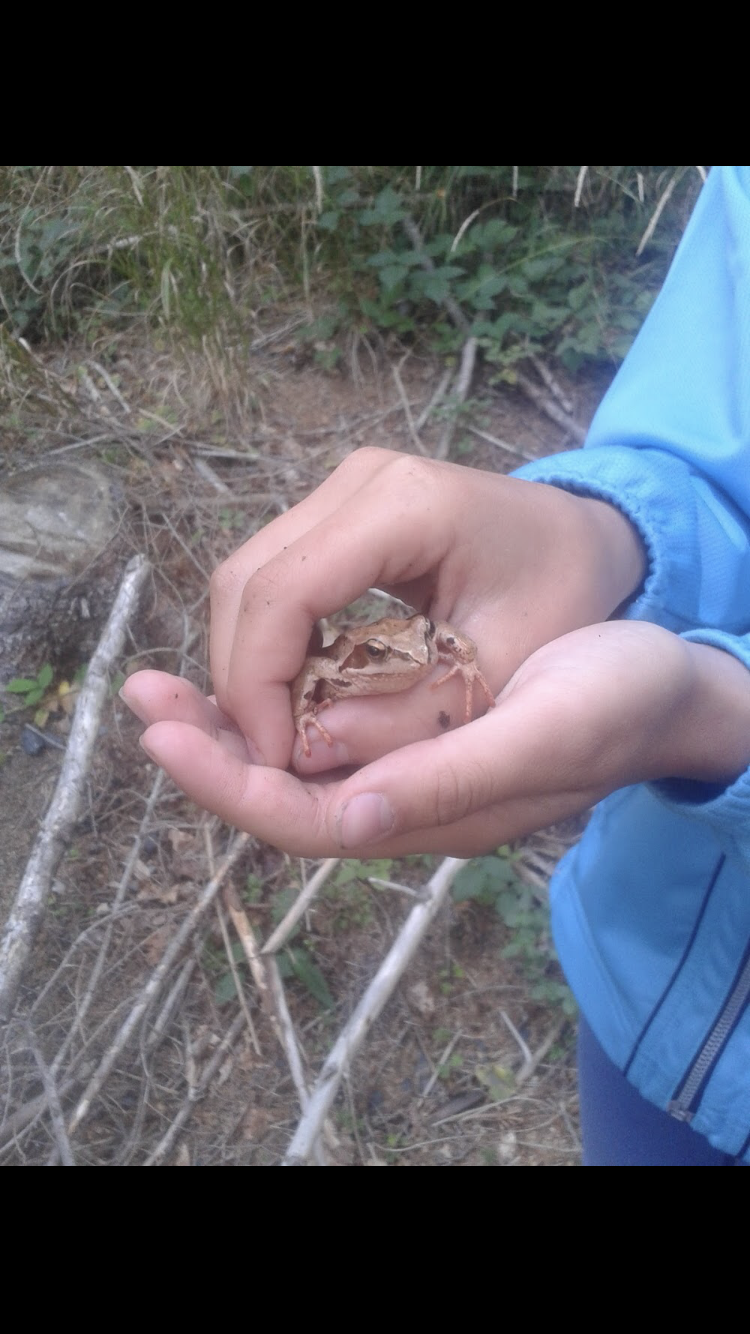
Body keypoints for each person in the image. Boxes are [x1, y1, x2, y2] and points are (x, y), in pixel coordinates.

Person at [122, 165, 750, 1165]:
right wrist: (604, 534)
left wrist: (717, 718)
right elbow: (715, 455)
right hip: (649, 976)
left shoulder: (428, 648)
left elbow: (439, 652)